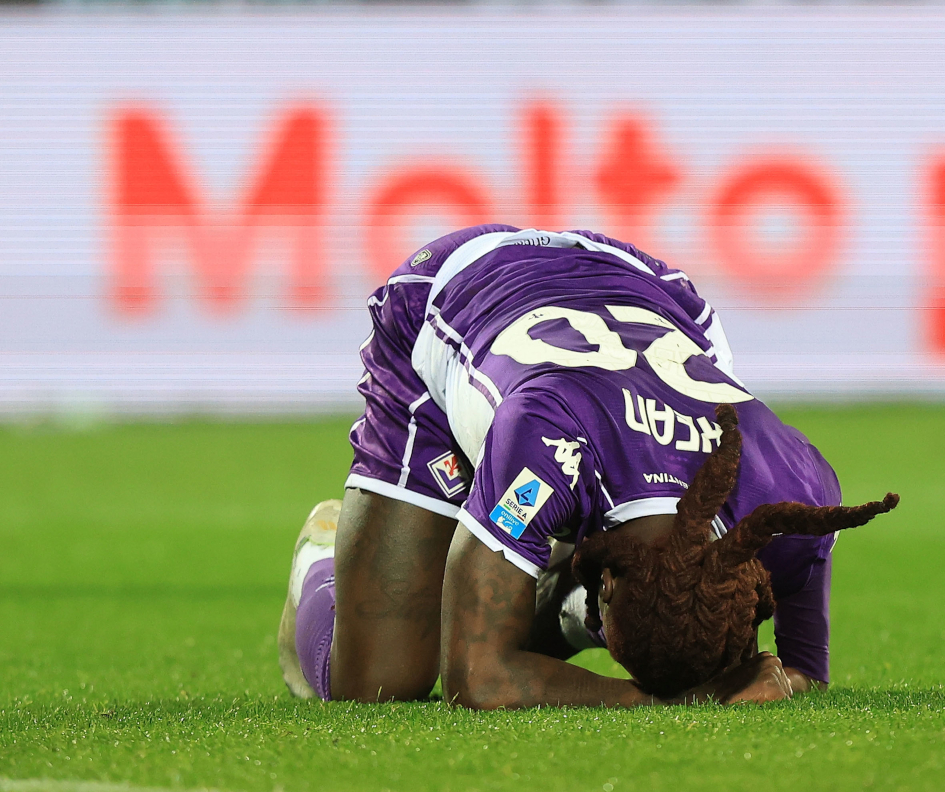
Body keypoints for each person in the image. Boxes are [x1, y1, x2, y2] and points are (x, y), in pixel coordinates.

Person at [277, 225, 898, 708]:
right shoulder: (546, 446)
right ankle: (321, 556)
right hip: (455, 291)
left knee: (658, 625)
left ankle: (560, 599)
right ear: (605, 582)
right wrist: (661, 703)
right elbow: (476, 675)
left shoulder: (794, 489)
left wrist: (776, 680)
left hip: (652, 291)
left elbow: (803, 670)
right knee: (380, 681)